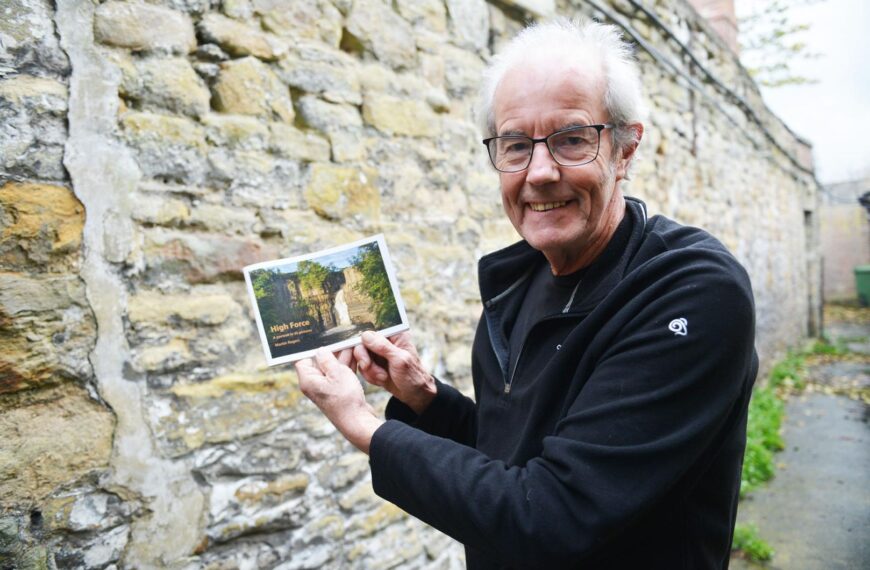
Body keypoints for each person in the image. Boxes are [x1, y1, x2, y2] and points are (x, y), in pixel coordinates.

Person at [295, 17, 758, 569]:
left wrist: (363, 426)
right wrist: (425, 399)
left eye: (570, 139)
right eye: (515, 145)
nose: (539, 172)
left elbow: (551, 515)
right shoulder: (516, 288)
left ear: (626, 149)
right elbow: (510, 457)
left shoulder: (691, 291)